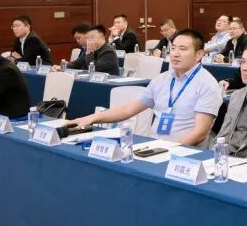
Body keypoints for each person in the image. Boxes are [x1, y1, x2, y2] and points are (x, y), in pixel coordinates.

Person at [68, 29, 222, 146]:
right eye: (173, 48)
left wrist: (169, 150)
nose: (175, 54)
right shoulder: (162, 79)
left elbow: (199, 133)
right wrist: (92, 118)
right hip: (154, 147)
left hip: (184, 154)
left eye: (182, 49)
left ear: (199, 54)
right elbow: (128, 109)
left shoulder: (206, 84)